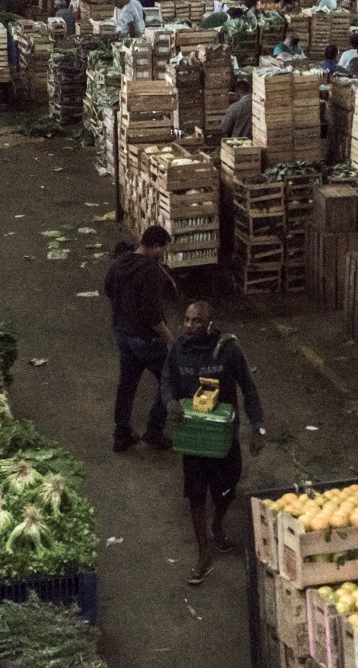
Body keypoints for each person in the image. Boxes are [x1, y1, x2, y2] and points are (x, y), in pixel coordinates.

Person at [163, 301, 267, 586]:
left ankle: (218, 523)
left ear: (209, 323)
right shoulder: (178, 349)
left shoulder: (228, 351)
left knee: (226, 488)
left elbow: (248, 387)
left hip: (222, 437)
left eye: (197, 321)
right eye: (186, 320)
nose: (189, 326)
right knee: (195, 494)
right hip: (194, 436)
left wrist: (258, 427)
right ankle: (204, 553)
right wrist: (171, 402)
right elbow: (167, 380)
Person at [105, 227, 177, 453]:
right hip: (146, 340)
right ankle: (154, 430)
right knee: (171, 380)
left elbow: (108, 289)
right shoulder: (150, 272)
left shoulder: (119, 263)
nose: (164, 253)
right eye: (164, 248)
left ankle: (121, 434)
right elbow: (153, 316)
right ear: (156, 246)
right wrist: (172, 342)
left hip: (123, 336)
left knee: (126, 385)